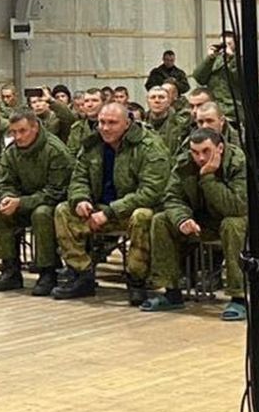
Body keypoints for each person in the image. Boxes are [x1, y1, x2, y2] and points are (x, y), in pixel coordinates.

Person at [53, 103, 171, 301]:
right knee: (63, 210)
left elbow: (151, 191)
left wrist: (110, 212)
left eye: (112, 123)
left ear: (127, 123)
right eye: (102, 122)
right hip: (99, 208)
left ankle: (137, 280)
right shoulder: (92, 145)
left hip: (132, 210)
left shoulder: (149, 146)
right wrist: (81, 199)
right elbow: (78, 179)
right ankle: (82, 274)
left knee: (142, 216)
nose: (105, 128)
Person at [149, 128, 249, 319]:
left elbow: (236, 206)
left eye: (205, 151)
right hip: (202, 220)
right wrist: (182, 219)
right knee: (160, 220)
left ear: (220, 148)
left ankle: (239, 297)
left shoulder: (238, 162)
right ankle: (171, 292)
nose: (200, 158)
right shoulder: (185, 163)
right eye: (195, 152)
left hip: (240, 220)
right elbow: (172, 197)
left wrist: (208, 177)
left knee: (232, 224)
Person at [0, 109, 74, 295]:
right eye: (13, 132)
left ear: (35, 128)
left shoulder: (55, 150)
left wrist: (20, 202)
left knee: (41, 214)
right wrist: (6, 197)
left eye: (22, 131)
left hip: (53, 204)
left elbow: (56, 192)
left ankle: (48, 271)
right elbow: (5, 182)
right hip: (23, 201)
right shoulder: (12, 152)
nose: (18, 136)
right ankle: (10, 270)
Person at [192, 32, 243, 116]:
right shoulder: (215, 60)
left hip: (233, 109)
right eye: (223, 44)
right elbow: (199, 78)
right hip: (214, 107)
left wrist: (232, 57)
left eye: (229, 44)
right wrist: (209, 59)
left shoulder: (240, 61)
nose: (225, 46)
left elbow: (240, 79)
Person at [141, 85, 186, 150]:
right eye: (153, 97)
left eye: (161, 97)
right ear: (147, 102)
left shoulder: (181, 124)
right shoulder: (141, 124)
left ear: (168, 102)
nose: (157, 101)